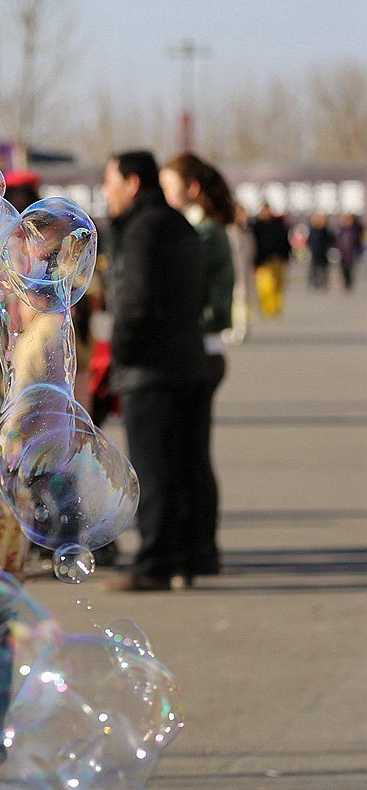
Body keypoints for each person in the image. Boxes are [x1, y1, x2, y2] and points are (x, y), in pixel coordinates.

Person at [100, 151, 207, 592]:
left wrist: (120, 352)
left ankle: (154, 564)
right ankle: (187, 557)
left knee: (153, 468)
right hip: (187, 360)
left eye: (109, 181)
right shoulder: (178, 223)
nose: (106, 192)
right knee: (184, 466)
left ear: (133, 183)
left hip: (151, 369)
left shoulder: (143, 230)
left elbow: (136, 302)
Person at [160, 153, 236, 583]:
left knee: (188, 455)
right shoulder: (205, 230)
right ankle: (201, 546)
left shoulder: (202, 234)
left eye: (169, 187)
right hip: (201, 348)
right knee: (192, 454)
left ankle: (199, 547)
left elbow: (208, 304)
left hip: (198, 349)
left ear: (189, 189)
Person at [250, 202, 291, 317]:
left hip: (277, 260)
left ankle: (276, 307)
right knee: (265, 287)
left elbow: (285, 242)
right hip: (263, 261)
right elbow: (253, 245)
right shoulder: (257, 226)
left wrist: (286, 256)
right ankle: (267, 308)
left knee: (278, 285)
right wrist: (255, 262)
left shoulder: (278, 225)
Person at [225, 203, 256, 343]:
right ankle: (231, 327)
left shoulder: (247, 233)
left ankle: (242, 327)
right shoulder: (228, 231)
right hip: (229, 272)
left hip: (243, 272)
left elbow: (252, 251)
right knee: (231, 301)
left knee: (243, 300)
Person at [306, 212, 335, 290]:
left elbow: (331, 242)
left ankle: (323, 285)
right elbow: (309, 242)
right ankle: (314, 284)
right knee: (313, 270)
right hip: (315, 254)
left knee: (324, 270)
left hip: (324, 254)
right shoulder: (312, 230)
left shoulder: (326, 231)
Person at [336, 212, 364, 291]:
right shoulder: (342, 228)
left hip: (353, 252)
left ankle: (349, 284)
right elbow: (339, 239)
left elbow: (360, 239)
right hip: (343, 252)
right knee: (343, 269)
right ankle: (346, 283)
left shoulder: (357, 229)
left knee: (351, 269)